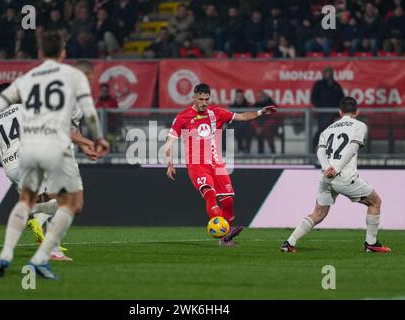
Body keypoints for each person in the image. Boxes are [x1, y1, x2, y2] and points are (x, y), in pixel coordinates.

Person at [0, 32, 109, 279]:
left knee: (38, 201)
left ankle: (7, 255)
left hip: (10, 166)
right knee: (70, 202)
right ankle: (48, 248)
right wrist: (88, 141)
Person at [165, 83, 276, 246]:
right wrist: (170, 164)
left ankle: (225, 237)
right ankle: (222, 232)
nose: (204, 102)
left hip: (217, 164)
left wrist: (260, 112)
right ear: (193, 98)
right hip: (197, 165)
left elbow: (243, 117)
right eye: (201, 99)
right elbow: (170, 141)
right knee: (209, 194)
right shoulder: (183, 117)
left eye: (206, 99)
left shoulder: (216, 113)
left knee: (228, 201)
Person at [281, 97, 391, 253]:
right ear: (357, 111)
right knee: (375, 202)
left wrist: (327, 168)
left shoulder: (328, 129)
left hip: (327, 176)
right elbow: (352, 147)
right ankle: (371, 243)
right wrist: (337, 168)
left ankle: (289, 243)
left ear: (340, 112)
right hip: (344, 177)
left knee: (318, 213)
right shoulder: (360, 125)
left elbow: (320, 150)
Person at [311, 66, 345, 149]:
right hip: (323, 113)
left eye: (330, 73)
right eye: (327, 73)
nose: (329, 75)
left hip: (335, 114)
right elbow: (313, 98)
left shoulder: (336, 85)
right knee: (322, 130)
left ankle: (331, 150)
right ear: (324, 74)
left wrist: (339, 112)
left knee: (334, 132)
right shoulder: (319, 85)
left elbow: (342, 98)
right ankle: (313, 149)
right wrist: (320, 107)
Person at [96, 82, 119, 152]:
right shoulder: (98, 101)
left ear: (108, 91)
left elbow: (117, 112)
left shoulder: (113, 101)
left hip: (110, 126)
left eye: (105, 91)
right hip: (100, 127)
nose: (104, 92)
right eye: (102, 91)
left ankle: (112, 151)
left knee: (111, 140)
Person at [229, 89, 252, 154]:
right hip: (235, 126)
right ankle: (238, 149)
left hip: (246, 126)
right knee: (235, 129)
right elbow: (228, 118)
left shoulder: (248, 106)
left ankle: (247, 150)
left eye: (241, 97)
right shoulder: (232, 106)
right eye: (238, 97)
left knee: (246, 129)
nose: (239, 99)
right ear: (235, 97)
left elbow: (251, 117)